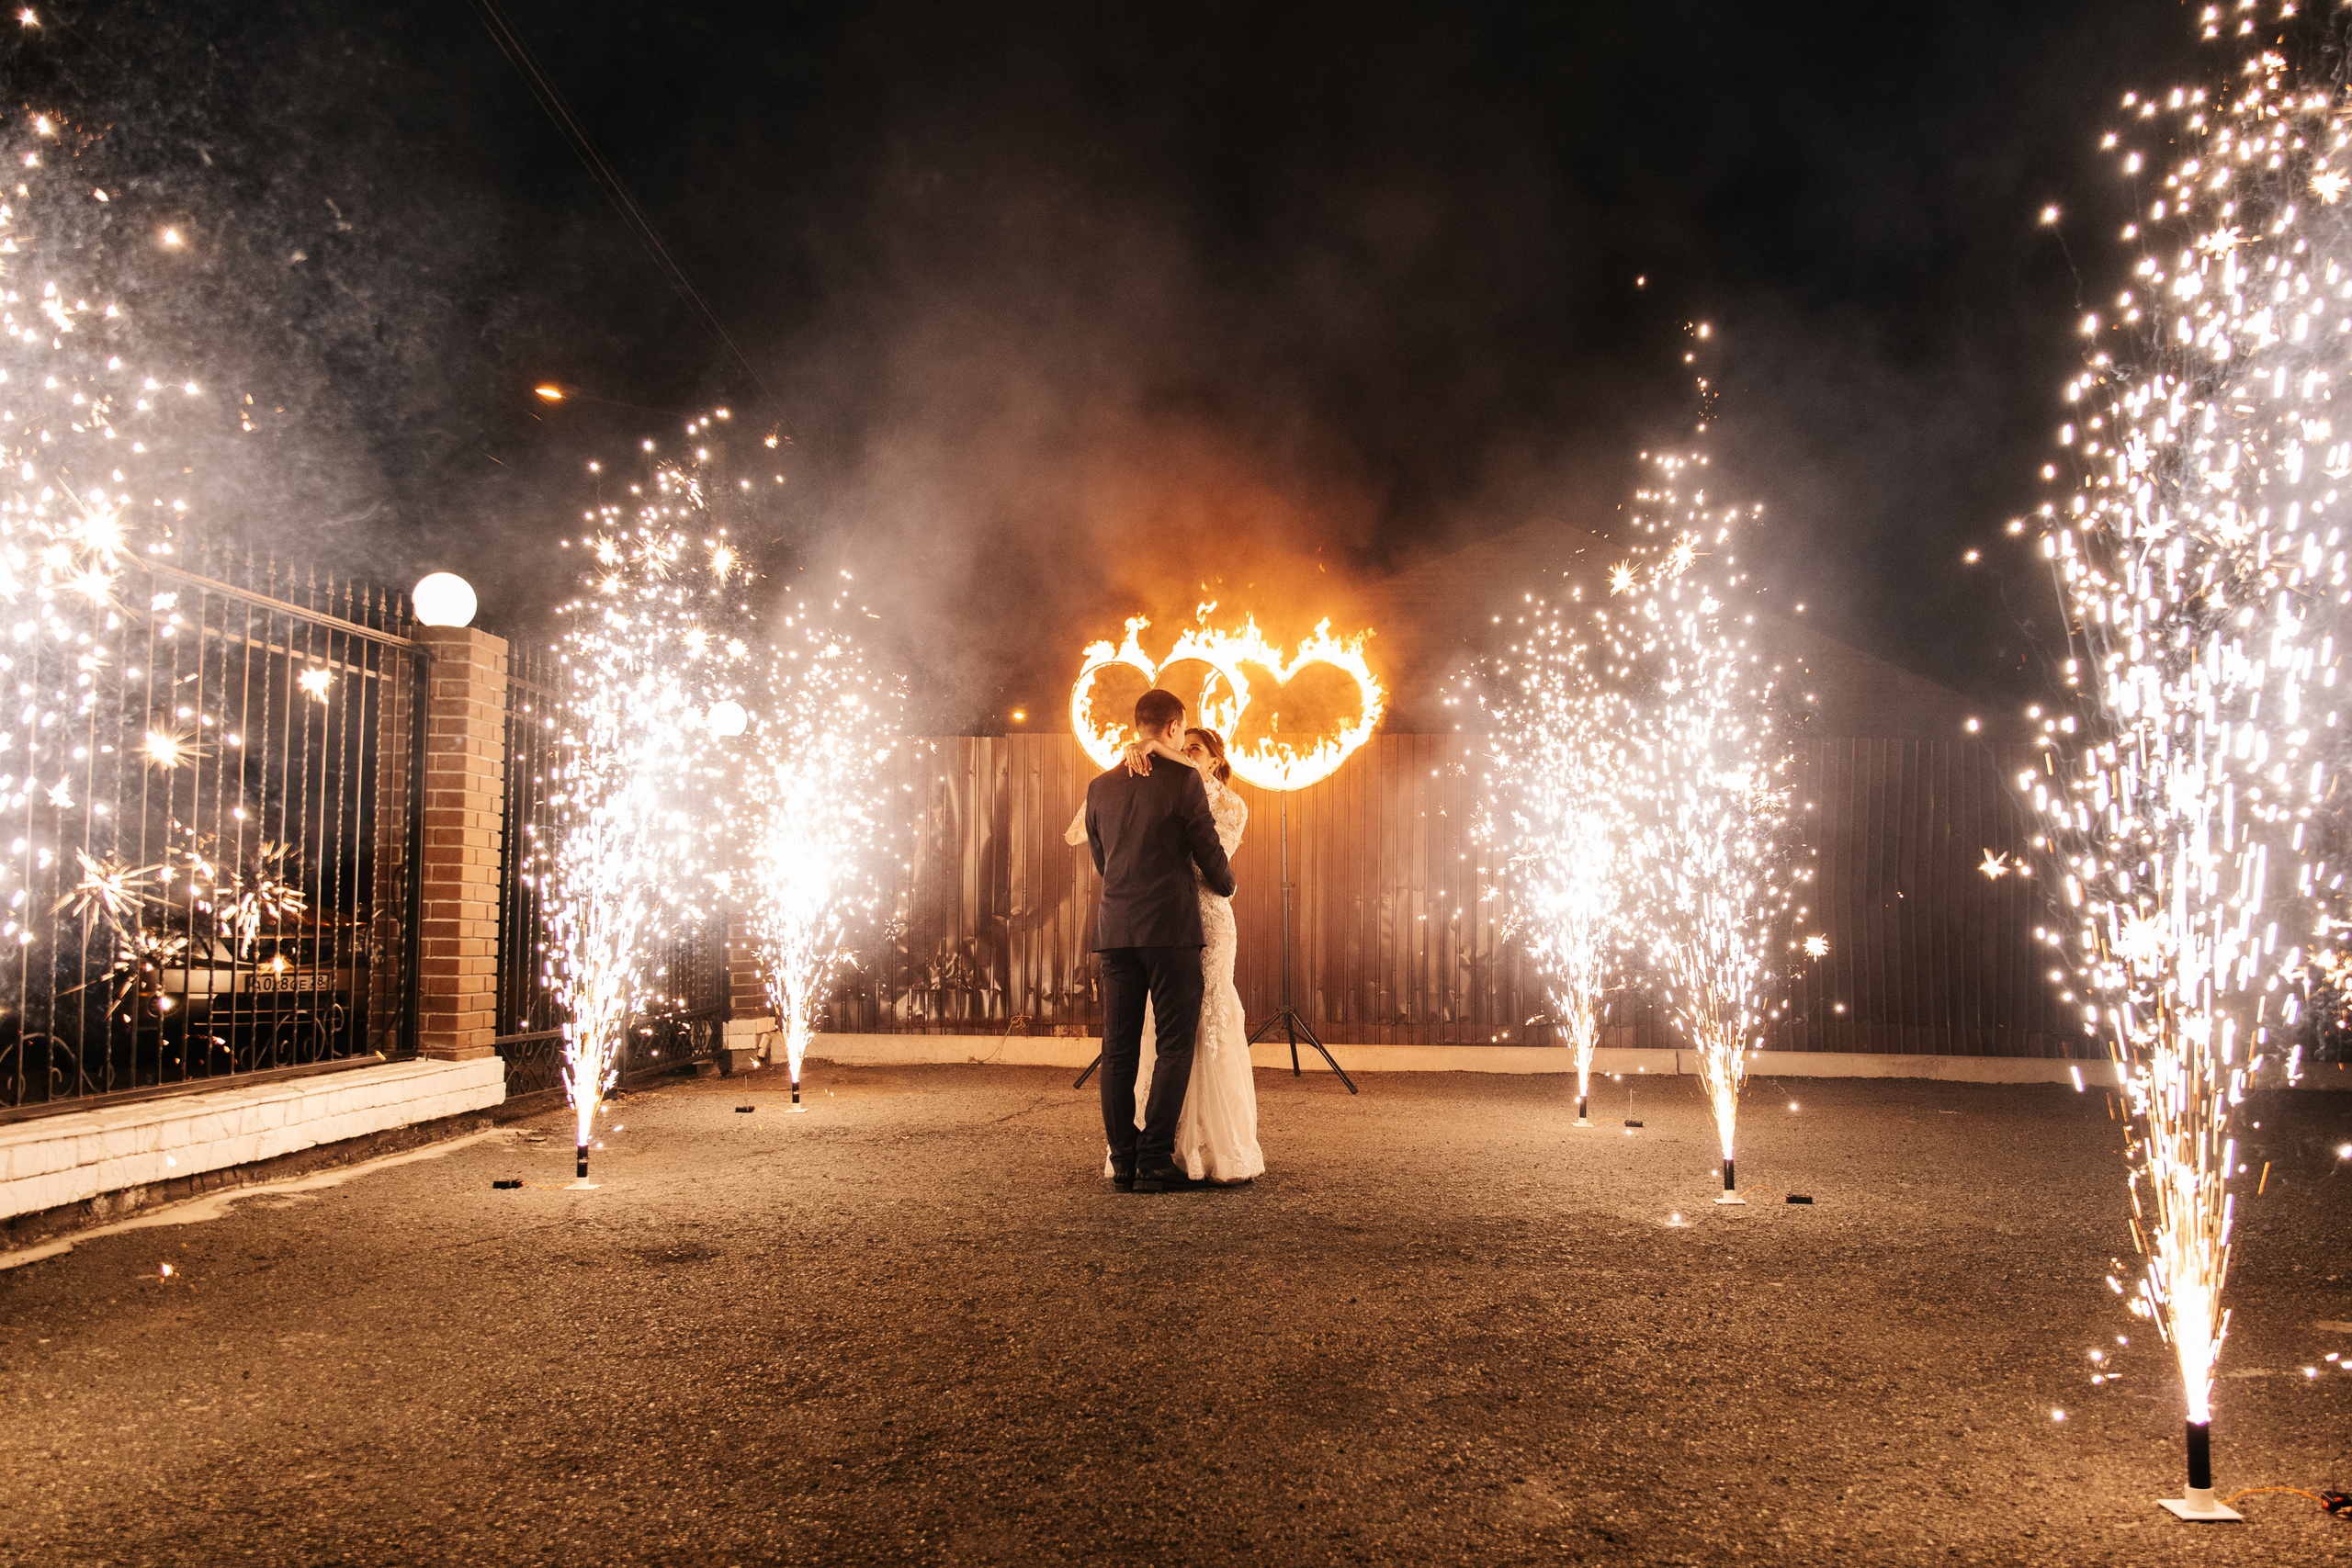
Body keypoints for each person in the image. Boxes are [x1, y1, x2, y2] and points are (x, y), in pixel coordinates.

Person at [1080, 688, 1236, 1194]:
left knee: (1118, 1049)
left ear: (1138, 724)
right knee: (1173, 1046)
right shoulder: (1185, 780)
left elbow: (1104, 862)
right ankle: (1153, 1160)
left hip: (1117, 930)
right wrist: (1227, 882)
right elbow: (1205, 844)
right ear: (1173, 728)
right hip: (1170, 931)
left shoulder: (1099, 786)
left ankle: (1123, 1160)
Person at [1098, 724, 1262, 1185]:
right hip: (1166, 918)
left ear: (1215, 761)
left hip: (1205, 913)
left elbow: (1215, 863)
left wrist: (1156, 749)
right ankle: (1155, 1151)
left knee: (1205, 1021)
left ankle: (1210, 1140)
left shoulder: (1227, 801)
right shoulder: (1163, 787)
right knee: (1167, 1034)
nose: (1186, 755)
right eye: (1182, 747)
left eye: (1196, 751)